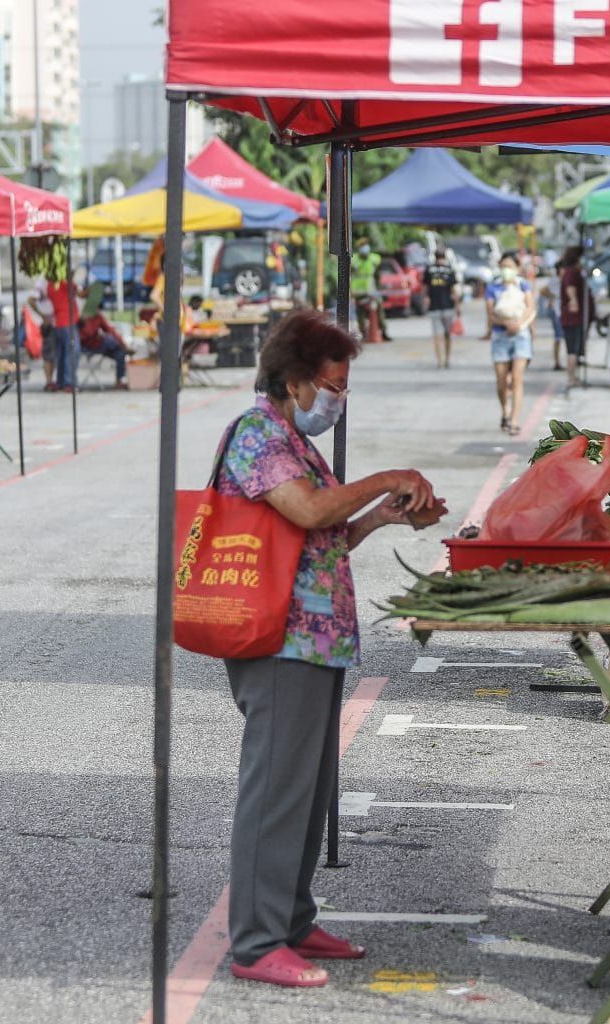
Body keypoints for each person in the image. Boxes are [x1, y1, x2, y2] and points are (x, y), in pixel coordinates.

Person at [215, 309, 445, 990]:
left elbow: (321, 543)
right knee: (275, 792)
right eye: (333, 387)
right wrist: (384, 477)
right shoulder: (258, 435)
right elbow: (312, 512)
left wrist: (381, 516)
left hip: (314, 642)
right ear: (294, 380)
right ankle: (256, 942)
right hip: (278, 642)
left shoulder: (291, 437)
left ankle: (290, 918)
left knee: (308, 791)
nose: (338, 401)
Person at [483, 254, 536, 435]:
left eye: (510, 266)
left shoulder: (523, 285)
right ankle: (505, 411)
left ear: (517, 267)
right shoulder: (492, 287)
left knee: (516, 379)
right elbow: (490, 313)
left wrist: (519, 323)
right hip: (500, 336)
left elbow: (530, 307)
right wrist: (505, 323)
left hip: (521, 335)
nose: (506, 269)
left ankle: (514, 420)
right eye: (503, 266)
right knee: (501, 381)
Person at [557, 246, 588, 391]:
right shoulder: (571, 272)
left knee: (575, 349)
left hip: (575, 318)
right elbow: (570, 287)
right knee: (572, 350)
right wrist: (574, 301)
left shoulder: (573, 272)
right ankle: (571, 378)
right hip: (572, 318)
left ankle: (573, 377)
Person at [424, 248, 461, 369]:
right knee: (447, 335)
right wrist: (458, 306)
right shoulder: (449, 269)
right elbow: (454, 290)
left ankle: (440, 360)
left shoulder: (429, 270)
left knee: (437, 336)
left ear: (435, 257)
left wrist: (425, 299)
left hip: (434, 306)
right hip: (448, 306)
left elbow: (425, 288)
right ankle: (447, 359)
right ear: (444, 257)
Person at [349, 237, 389, 342]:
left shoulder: (374, 259)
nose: (365, 248)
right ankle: (363, 332)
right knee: (360, 313)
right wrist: (351, 293)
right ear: (359, 248)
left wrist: (379, 287)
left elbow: (377, 275)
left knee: (379, 307)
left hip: (371, 291)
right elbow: (349, 276)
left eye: (366, 245)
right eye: (362, 246)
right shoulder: (354, 260)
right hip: (358, 292)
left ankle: (383, 330)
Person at [78, 311, 131, 389]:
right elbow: (87, 334)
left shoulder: (98, 316)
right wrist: (86, 320)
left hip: (99, 345)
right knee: (108, 341)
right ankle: (120, 347)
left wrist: (122, 342)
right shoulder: (79, 317)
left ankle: (119, 380)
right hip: (86, 346)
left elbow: (110, 330)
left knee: (120, 353)